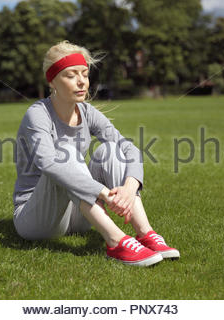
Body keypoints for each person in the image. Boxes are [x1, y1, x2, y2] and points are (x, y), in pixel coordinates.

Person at [13, 40, 179, 267]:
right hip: (37, 220)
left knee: (112, 149)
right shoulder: (38, 114)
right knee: (65, 153)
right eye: (71, 75)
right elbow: (48, 163)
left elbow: (129, 148)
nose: (82, 81)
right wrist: (103, 193)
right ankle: (116, 241)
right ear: (52, 80)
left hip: (79, 217)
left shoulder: (87, 112)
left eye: (84, 74)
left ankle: (146, 234)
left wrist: (129, 189)